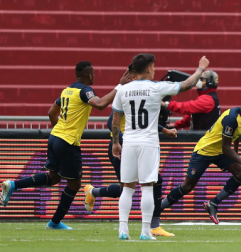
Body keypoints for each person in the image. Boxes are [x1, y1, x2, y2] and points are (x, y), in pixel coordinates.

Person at [0, 61, 127, 230]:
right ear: (90, 75)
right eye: (93, 74)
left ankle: (13, 185)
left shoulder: (68, 90)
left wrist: (60, 133)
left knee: (54, 177)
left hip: (55, 137)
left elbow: (51, 112)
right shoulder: (85, 90)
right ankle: (54, 222)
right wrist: (119, 86)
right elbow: (100, 104)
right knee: (74, 184)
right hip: (67, 141)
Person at [111, 53, 209, 240]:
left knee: (128, 188)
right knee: (147, 187)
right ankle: (145, 231)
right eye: (154, 67)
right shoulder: (155, 88)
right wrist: (201, 68)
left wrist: (116, 142)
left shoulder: (123, 90)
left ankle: (123, 230)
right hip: (148, 143)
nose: (154, 70)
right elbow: (187, 84)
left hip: (129, 142)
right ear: (148, 68)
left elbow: (116, 119)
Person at [83, 63, 178, 237]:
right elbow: (112, 122)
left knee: (141, 185)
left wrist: (164, 130)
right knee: (131, 187)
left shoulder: (137, 93)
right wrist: (117, 142)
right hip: (123, 145)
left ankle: (150, 225)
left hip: (131, 144)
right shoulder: (125, 93)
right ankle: (93, 192)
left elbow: (145, 120)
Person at [159, 91, 241, 224]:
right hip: (205, 150)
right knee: (187, 186)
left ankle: (213, 204)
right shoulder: (231, 118)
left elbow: (237, 135)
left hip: (220, 152)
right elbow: (226, 147)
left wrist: (237, 158)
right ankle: (158, 209)